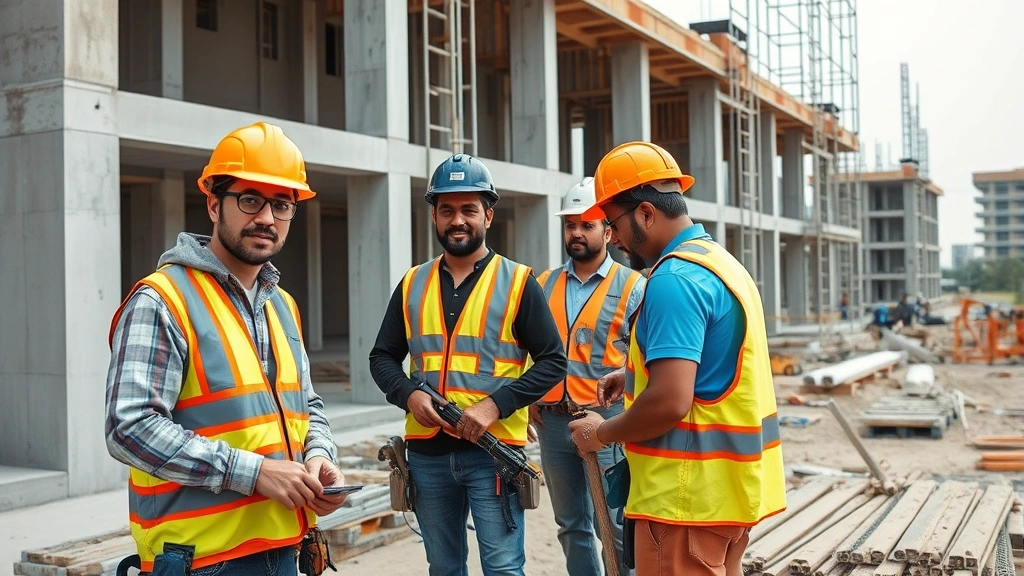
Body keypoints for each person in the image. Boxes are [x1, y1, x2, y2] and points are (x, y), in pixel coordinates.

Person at [105, 122, 348, 575]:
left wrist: (319, 457)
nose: (267, 218)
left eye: (282, 205)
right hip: (203, 561)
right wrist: (253, 472)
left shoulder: (282, 305)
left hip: (284, 548)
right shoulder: (162, 300)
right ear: (214, 204)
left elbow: (307, 405)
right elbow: (129, 427)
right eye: (251, 200)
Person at [567, 141, 786, 576]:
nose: (615, 240)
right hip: (727, 496)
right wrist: (631, 375)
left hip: (684, 500)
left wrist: (602, 432)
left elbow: (670, 401)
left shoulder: (673, 280)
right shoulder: (720, 264)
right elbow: (714, 366)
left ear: (646, 213)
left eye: (614, 225)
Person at [368, 154, 567, 576]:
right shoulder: (411, 283)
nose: (457, 220)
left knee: (503, 567)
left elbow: (553, 362)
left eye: (468, 210)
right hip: (427, 454)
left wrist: (494, 405)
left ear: (488, 215)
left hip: (493, 456)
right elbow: (381, 358)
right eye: (446, 210)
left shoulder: (517, 283)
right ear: (435, 217)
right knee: (443, 567)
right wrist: (409, 393)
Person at [530, 177, 646, 576]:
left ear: (607, 230)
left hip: (604, 420)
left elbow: (646, 358)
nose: (576, 232)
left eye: (587, 224)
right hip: (552, 421)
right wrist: (530, 398)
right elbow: (527, 349)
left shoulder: (634, 285)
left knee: (612, 524)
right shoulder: (542, 284)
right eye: (570, 225)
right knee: (570, 525)